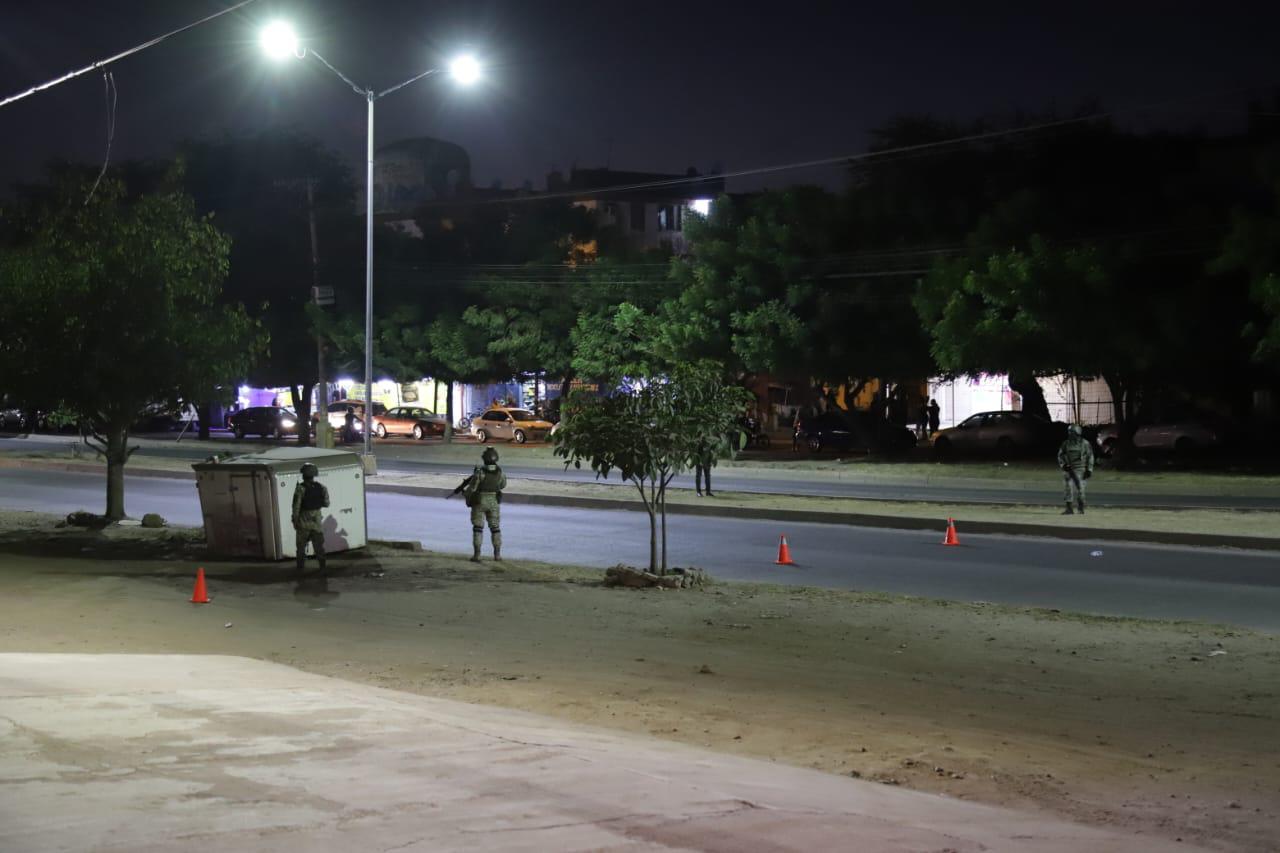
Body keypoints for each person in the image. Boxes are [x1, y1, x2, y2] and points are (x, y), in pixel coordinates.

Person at [463, 446, 507, 561]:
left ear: (484, 459)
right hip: (494, 502)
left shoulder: (480, 472)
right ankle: (497, 555)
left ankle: (477, 555)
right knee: (495, 528)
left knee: (478, 528)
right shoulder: (500, 472)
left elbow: (472, 488)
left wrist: (466, 495)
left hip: (480, 501)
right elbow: (502, 485)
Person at [291, 462, 329, 573]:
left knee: (301, 548)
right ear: (314, 475)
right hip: (316, 522)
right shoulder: (322, 487)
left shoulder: (300, 489)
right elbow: (326, 503)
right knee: (319, 547)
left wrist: (295, 520)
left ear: (303, 475)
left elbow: (296, 507)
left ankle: (300, 569)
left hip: (303, 521)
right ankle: (322, 568)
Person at [1056, 423, 1095, 514]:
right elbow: (1060, 455)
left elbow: (1090, 456)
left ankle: (1081, 508)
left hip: (1081, 469)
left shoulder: (1085, 443)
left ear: (1077, 433)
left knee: (1081, 489)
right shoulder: (1066, 443)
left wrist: (1089, 469)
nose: (1070, 434)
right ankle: (1069, 508)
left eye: (1072, 432)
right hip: (1069, 469)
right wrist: (1064, 465)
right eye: (1069, 432)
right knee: (1068, 488)